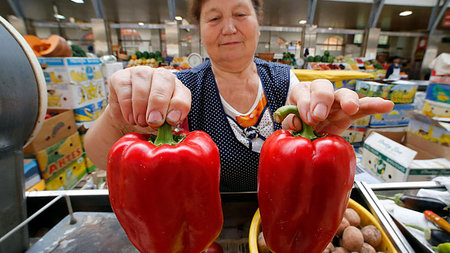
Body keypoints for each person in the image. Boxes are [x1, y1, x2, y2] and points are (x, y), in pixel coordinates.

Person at [84, 0, 394, 191]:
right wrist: (118, 118)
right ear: (199, 31)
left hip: (279, 221)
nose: (229, 28)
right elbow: (99, 158)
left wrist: (316, 131)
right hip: (204, 229)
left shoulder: (285, 81)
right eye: (214, 18)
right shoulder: (181, 90)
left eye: (241, 14)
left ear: (260, 23)